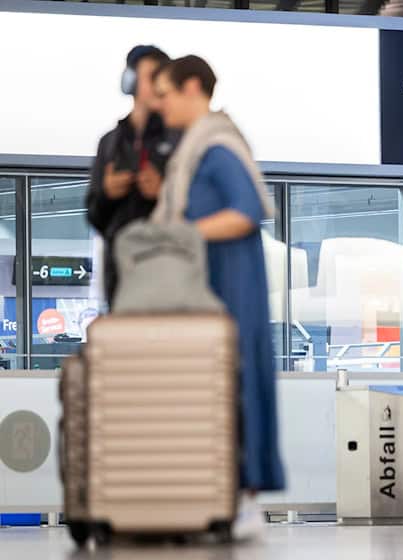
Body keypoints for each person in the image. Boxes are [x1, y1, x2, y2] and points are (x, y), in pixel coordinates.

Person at [152, 55, 285, 540]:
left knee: (235, 390)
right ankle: (217, 499)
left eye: (165, 94)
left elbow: (247, 211)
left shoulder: (218, 148)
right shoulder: (195, 151)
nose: (160, 106)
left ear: (192, 88)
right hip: (208, 293)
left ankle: (242, 501)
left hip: (232, 292)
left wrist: (178, 234)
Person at [87, 45, 179, 306]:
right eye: (151, 76)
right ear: (131, 82)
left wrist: (162, 194)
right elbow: (95, 216)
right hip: (121, 278)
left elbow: (198, 212)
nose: (159, 84)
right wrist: (107, 194)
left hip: (169, 277)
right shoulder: (110, 143)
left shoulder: (179, 140)